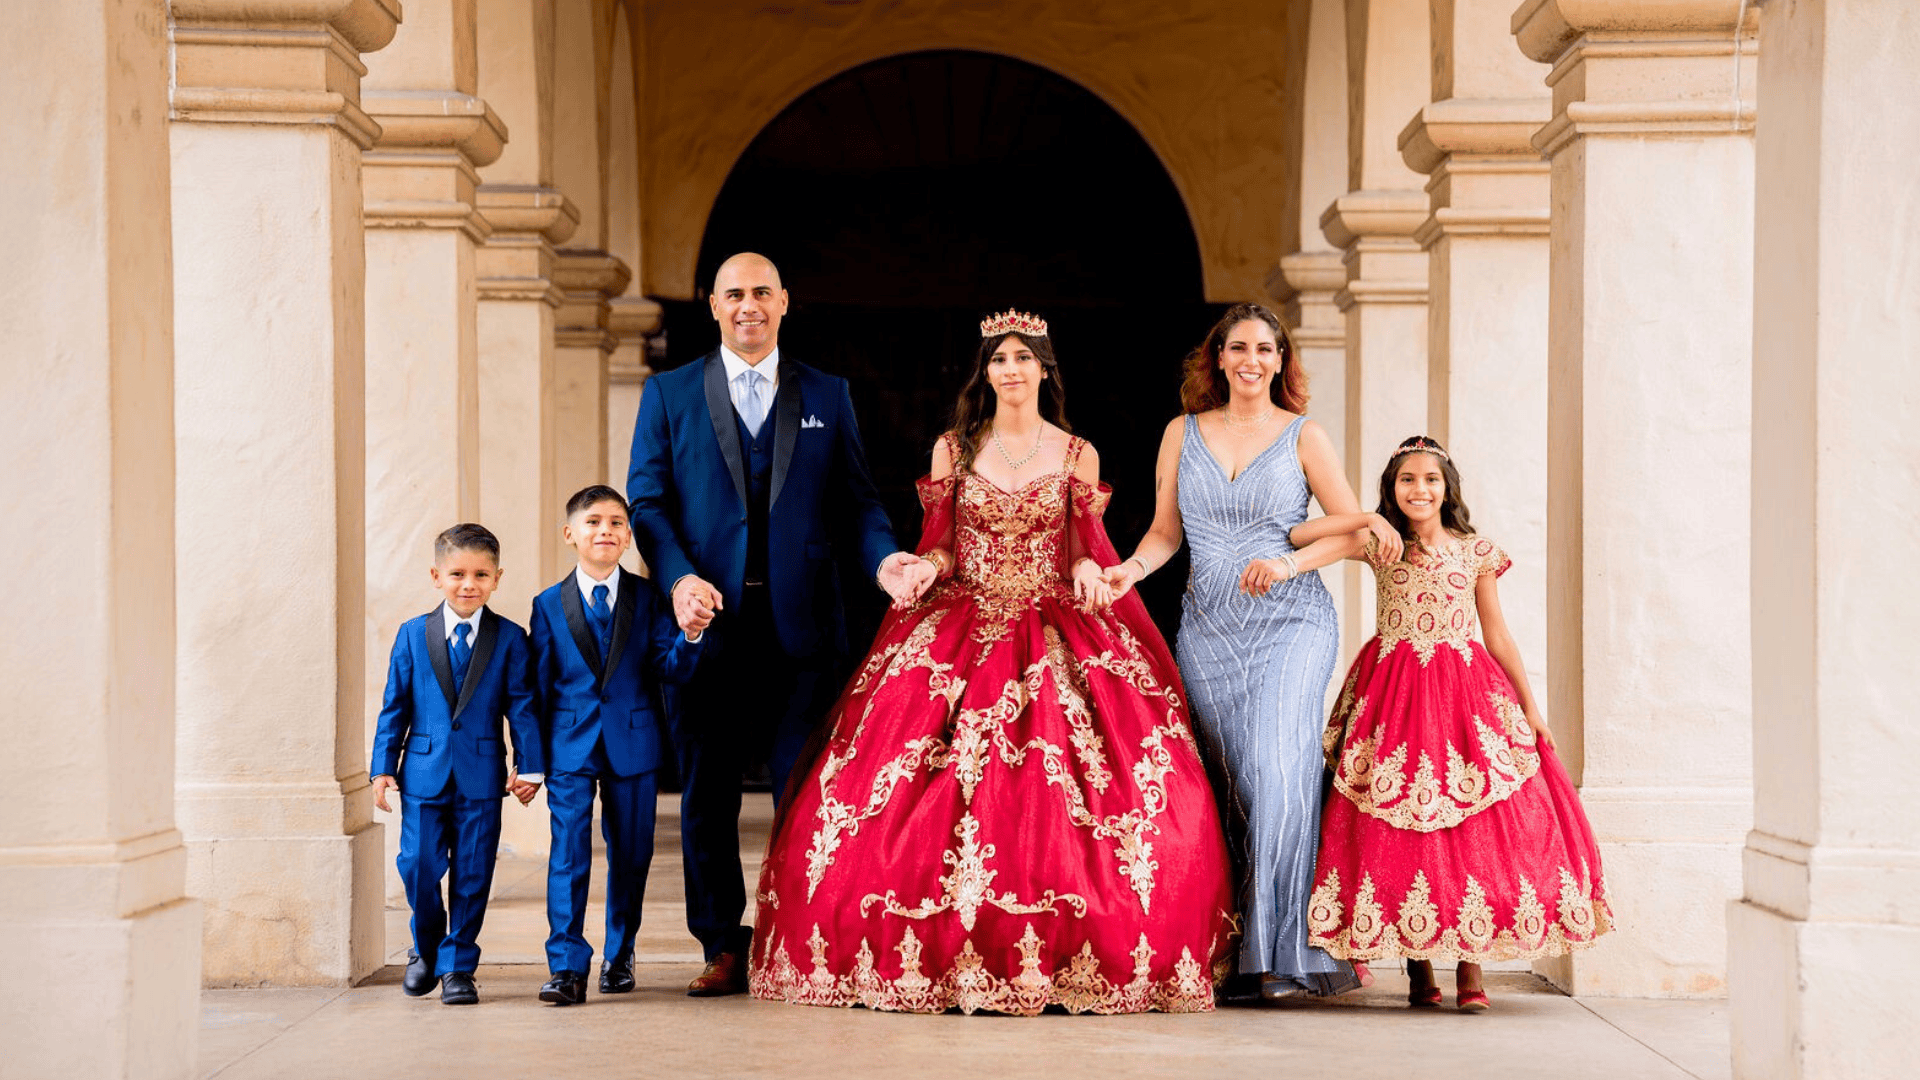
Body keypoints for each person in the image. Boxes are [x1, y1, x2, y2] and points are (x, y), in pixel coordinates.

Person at [749, 310, 1234, 1016]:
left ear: (1044, 370)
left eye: (1022, 358)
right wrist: (926, 566)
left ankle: (1070, 946)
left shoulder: (1077, 454)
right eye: (998, 360)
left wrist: (1096, 576)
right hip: (962, 618)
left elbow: (1080, 548)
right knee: (898, 780)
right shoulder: (956, 448)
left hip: (1053, 621)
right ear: (987, 374)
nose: (1010, 370)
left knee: (1083, 780)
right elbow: (943, 541)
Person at [626, 252, 926, 996]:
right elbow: (648, 503)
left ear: (785, 302)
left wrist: (884, 560)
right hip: (708, 631)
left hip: (803, 631)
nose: (749, 305)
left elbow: (857, 502)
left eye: (763, 292)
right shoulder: (667, 394)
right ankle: (722, 944)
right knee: (706, 793)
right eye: (735, 294)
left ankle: (800, 936)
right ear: (713, 305)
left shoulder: (828, 392)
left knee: (806, 789)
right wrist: (677, 579)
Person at [1105, 302, 1395, 999]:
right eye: (1239, 348)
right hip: (1207, 630)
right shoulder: (1183, 433)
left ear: (1280, 360)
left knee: (1278, 766)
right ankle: (1237, 946)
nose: (1252, 360)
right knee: (1229, 780)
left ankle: (1286, 953)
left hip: (1292, 625)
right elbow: (1165, 533)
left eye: (1266, 349)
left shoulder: (1304, 436)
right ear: (1218, 358)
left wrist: (1289, 564)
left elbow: (1354, 532)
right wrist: (1128, 572)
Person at [1297, 436, 1612, 1010]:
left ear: (1449, 489)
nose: (1419, 489)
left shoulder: (1475, 552)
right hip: (1392, 692)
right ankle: (1418, 969)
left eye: (1430, 479)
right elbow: (1299, 536)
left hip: (1465, 694)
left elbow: (1496, 633)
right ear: (1392, 490)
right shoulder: (1379, 544)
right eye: (1406, 480)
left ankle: (1470, 967)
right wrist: (1368, 519)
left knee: (1470, 826)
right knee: (1398, 825)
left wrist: (1530, 707)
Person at [528, 486, 703, 1005]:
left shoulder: (649, 598)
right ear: (570, 535)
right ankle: (565, 964)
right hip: (568, 748)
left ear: (629, 537)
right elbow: (537, 689)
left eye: (616, 523)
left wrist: (689, 637)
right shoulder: (546, 605)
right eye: (592, 522)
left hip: (633, 742)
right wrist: (532, 763)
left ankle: (620, 952)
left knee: (632, 854)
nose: (605, 530)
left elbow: (666, 668)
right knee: (568, 855)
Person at [370, 523, 544, 1006]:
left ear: (497, 578)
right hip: (423, 774)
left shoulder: (509, 638)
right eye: (458, 574)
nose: (469, 584)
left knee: (472, 874)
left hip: (482, 776)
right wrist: (382, 766)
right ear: (436, 575)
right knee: (419, 867)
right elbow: (395, 706)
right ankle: (425, 948)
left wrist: (530, 766)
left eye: (481, 575)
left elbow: (522, 706)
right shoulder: (411, 635)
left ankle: (458, 967)